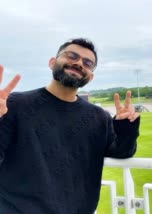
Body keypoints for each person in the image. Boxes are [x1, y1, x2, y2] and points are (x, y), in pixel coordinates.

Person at [0, 38, 140, 214]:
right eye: (71, 56)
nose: (79, 63)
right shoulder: (15, 104)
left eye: (87, 63)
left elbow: (122, 151)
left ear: (90, 77)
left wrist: (126, 126)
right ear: (52, 62)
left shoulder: (98, 117)